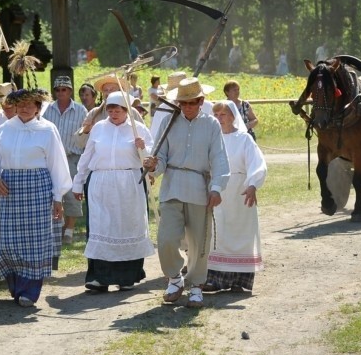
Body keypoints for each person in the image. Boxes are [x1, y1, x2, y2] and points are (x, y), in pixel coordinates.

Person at [142, 77, 230, 308]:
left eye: (192, 102)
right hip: (172, 187)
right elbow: (161, 158)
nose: (188, 107)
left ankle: (196, 286)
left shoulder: (211, 124)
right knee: (166, 239)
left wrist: (217, 187)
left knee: (200, 241)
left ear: (201, 101)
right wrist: (153, 165)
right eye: (183, 103)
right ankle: (174, 278)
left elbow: (219, 158)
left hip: (200, 188)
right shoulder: (169, 123)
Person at [0, 87, 71, 307]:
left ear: (38, 107)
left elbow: (57, 164)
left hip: (38, 189)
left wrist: (58, 196)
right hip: (9, 189)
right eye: (20, 105)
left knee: (35, 240)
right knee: (10, 240)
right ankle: (16, 285)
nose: (24, 109)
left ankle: (30, 291)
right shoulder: (4, 129)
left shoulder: (47, 130)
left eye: (30, 104)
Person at [72, 92, 155, 292]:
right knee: (102, 227)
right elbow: (86, 156)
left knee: (127, 226)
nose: (114, 113)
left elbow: (150, 160)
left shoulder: (138, 129)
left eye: (118, 110)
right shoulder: (99, 128)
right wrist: (78, 182)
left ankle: (126, 277)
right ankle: (99, 277)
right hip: (101, 184)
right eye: (110, 110)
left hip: (129, 184)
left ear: (127, 111)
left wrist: (143, 148)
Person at [204, 101, 267, 293]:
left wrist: (252, 185)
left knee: (240, 233)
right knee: (217, 234)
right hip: (216, 191)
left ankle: (240, 280)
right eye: (216, 115)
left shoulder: (244, 139)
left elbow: (258, 163)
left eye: (223, 115)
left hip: (240, 191)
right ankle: (214, 280)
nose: (219, 119)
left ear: (232, 116)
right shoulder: (210, 139)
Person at [42, 76, 88, 245]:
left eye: (64, 89)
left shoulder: (81, 110)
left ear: (70, 91)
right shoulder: (47, 110)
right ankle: (56, 227)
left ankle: (69, 230)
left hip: (72, 156)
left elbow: (85, 135)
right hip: (51, 158)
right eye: (58, 89)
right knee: (53, 192)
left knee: (72, 193)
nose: (61, 92)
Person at [77, 74, 144, 148]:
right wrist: (86, 131)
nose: (108, 93)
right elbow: (80, 144)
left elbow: (145, 139)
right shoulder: (94, 113)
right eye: (106, 90)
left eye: (112, 89)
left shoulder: (132, 113)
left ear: (120, 91)